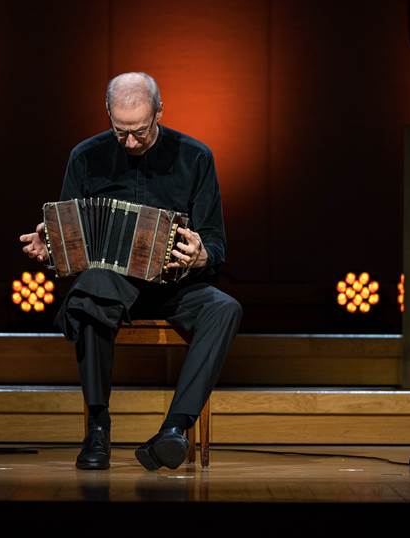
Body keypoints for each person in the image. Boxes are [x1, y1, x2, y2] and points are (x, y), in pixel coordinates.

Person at [19, 72, 242, 471]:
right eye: (121, 132)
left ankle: (173, 430)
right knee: (88, 294)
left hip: (173, 287)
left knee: (224, 308)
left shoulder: (195, 157)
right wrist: (52, 245)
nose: (132, 142)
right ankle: (98, 428)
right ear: (107, 113)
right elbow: (71, 239)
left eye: (140, 131)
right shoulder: (85, 157)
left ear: (159, 111)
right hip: (111, 283)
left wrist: (201, 256)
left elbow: (217, 245)